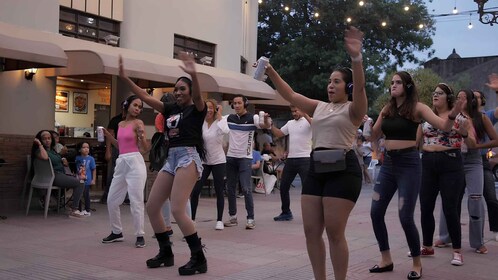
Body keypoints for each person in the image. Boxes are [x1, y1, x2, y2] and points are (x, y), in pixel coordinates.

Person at [264, 26, 366, 280]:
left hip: (344, 171)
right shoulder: (319, 107)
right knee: (311, 230)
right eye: (329, 81)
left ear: (347, 87)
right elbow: (290, 94)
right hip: (317, 167)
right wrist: (271, 71)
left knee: (334, 231)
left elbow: (362, 88)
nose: (330, 85)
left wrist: (356, 58)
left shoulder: (354, 108)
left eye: (337, 82)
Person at [119, 52, 208, 275]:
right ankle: (166, 253)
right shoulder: (170, 109)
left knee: (178, 209)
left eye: (182, 89)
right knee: (152, 206)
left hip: (188, 156)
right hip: (172, 158)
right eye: (175, 89)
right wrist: (124, 78)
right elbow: (144, 97)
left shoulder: (197, 109)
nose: (177, 92)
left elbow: (198, 95)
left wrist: (193, 73)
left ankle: (199, 258)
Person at [368, 71, 463, 279]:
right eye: (392, 83)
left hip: (409, 165)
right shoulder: (387, 108)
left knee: (405, 216)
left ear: (408, 86)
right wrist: (368, 124)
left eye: (398, 82)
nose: (393, 86)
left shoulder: (419, 108)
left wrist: (454, 113)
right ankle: (386, 259)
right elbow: (373, 135)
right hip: (388, 164)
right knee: (375, 212)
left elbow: (445, 127)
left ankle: (417, 264)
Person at [436, 89, 498, 255]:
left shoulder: (481, 117)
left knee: (476, 199)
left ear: (471, 101)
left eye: (464, 98)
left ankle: (478, 242)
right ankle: (445, 236)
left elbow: (495, 140)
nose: (460, 101)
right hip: (453, 159)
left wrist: (478, 146)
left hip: (474, 161)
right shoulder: (450, 116)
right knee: (449, 199)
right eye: (458, 98)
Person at [418, 83, 474, 266]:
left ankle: (457, 251)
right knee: (426, 206)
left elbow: (472, 143)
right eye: (434, 93)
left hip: (450, 162)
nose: (435, 96)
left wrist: (464, 133)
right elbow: (417, 141)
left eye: (439, 94)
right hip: (427, 162)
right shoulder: (426, 117)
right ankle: (427, 246)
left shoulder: (461, 117)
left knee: (450, 208)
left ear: (448, 98)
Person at [101, 94, 149, 248]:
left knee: (136, 200)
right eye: (135, 105)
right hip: (121, 161)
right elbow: (120, 146)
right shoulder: (120, 124)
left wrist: (141, 137)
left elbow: (144, 149)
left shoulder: (138, 123)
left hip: (135, 161)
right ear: (127, 105)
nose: (137, 109)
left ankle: (140, 234)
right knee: (112, 200)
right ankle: (117, 232)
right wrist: (108, 136)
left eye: (140, 107)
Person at [223, 95, 271, 230]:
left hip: (245, 158)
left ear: (245, 104)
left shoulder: (253, 118)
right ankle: (233, 217)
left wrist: (266, 119)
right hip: (231, 157)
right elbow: (216, 123)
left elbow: (265, 125)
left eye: (239, 103)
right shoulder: (229, 118)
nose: (237, 105)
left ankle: (251, 218)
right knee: (230, 189)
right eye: (234, 103)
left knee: (246, 188)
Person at [190, 99, 229, 230]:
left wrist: (220, 116)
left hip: (218, 161)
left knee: (219, 191)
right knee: (195, 190)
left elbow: (225, 130)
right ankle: (192, 219)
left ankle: (219, 220)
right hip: (204, 162)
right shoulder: (200, 122)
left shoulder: (221, 121)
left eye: (212, 108)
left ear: (215, 109)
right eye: (207, 108)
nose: (209, 110)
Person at [270, 105, 312, 221]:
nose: (294, 113)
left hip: (305, 159)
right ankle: (286, 212)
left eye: (296, 110)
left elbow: (316, 125)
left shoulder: (308, 121)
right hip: (291, 159)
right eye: (292, 111)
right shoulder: (290, 123)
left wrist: (306, 114)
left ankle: (310, 214)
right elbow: (278, 134)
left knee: (307, 188)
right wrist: (271, 125)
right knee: (283, 186)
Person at [31, 130, 84, 218]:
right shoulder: (38, 151)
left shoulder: (52, 150)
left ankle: (60, 202)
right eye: (44, 139)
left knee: (80, 180)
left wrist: (62, 159)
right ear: (40, 140)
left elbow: (56, 159)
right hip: (53, 176)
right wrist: (40, 145)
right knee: (79, 183)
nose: (47, 140)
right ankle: (74, 209)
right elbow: (45, 157)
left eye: (49, 138)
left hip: (59, 174)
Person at [476, 74, 498, 241]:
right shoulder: (460, 117)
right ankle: (447, 236)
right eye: (471, 97)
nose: (473, 100)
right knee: (451, 200)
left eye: (477, 98)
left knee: (491, 197)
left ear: (482, 101)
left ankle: (496, 230)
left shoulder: (487, 116)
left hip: (481, 162)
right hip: (460, 162)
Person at [100, 101, 126, 204]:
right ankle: (106, 196)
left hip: (129, 149)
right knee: (114, 172)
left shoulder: (134, 121)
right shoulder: (116, 120)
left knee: (127, 173)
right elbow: (109, 136)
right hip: (117, 148)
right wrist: (108, 151)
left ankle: (124, 198)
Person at [75, 141, 96, 217]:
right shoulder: (77, 158)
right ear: (79, 149)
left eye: (87, 147)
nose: (86, 149)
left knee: (86, 195)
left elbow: (94, 169)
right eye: (84, 147)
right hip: (79, 179)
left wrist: (93, 180)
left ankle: (87, 210)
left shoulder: (91, 159)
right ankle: (78, 209)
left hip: (87, 180)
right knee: (79, 195)